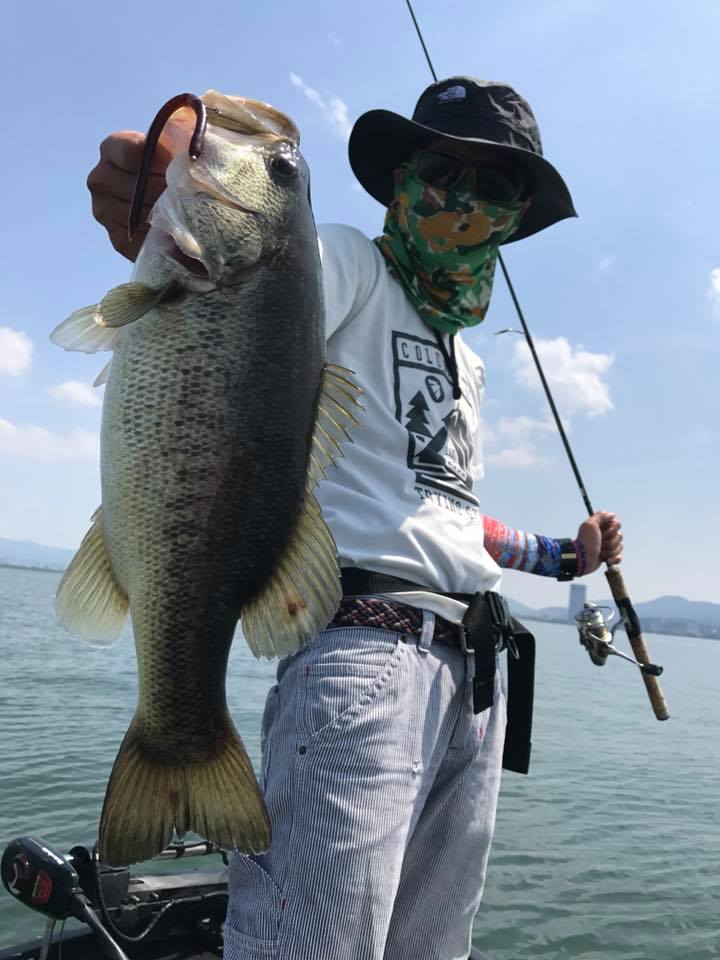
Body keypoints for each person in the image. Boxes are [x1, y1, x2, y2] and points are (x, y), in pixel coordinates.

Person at [88, 77, 622, 960]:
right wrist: (151, 205)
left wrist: (565, 557)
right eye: (441, 170)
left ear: (515, 216)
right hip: (369, 654)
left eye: (493, 186)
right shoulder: (342, 261)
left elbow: (445, 510)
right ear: (401, 179)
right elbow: (244, 304)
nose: (461, 198)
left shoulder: (466, 356)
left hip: (476, 680)